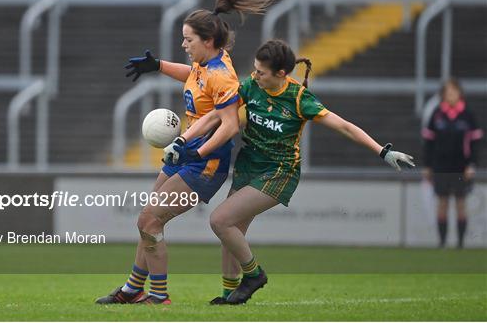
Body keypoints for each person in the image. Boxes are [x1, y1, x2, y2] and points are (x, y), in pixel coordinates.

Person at [170, 39, 416, 305]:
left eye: (261, 72)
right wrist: (184, 139)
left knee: (220, 220)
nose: (255, 75)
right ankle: (230, 295)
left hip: (279, 171)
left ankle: (253, 275)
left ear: (281, 74)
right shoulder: (251, 86)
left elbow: (344, 126)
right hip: (248, 165)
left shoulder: (299, 98)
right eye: (255, 69)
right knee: (232, 232)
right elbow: (218, 115)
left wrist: (382, 151)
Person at [95, 0, 276, 305]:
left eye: (188, 39)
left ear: (207, 41)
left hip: (203, 164)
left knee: (150, 220)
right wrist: (158, 66)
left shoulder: (222, 75)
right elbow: (193, 75)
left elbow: (230, 126)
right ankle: (133, 289)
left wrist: (196, 150)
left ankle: (157, 296)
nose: (184, 45)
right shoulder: (206, 64)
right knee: (148, 217)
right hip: (186, 153)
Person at [422, 79, 483, 248]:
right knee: (442, 203)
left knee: (460, 204)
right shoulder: (436, 114)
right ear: (443, 95)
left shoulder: (468, 114)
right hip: (440, 166)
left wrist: (472, 164)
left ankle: (460, 244)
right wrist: (427, 165)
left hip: (461, 167)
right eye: (447, 92)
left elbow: (476, 143)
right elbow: (428, 142)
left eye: (453, 92)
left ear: (459, 93)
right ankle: (442, 243)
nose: (451, 95)